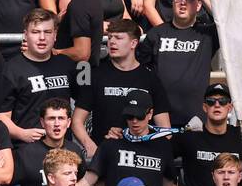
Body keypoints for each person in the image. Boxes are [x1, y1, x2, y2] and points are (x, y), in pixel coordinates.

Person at [71, 17, 169, 156]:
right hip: (104, 156)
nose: (111, 42)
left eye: (118, 38)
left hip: (140, 155)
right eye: (110, 37)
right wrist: (91, 146)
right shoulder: (95, 75)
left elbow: (164, 128)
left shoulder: (150, 78)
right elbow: (77, 121)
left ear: (134, 43)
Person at [76, 90, 184, 186]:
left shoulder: (163, 145)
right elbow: (88, 180)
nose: (135, 121)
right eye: (130, 116)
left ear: (150, 114)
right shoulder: (112, 142)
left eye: (140, 116)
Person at [0, 8, 79, 143]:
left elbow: (85, 103)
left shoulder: (67, 65)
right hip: (26, 150)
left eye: (47, 32)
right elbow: (1, 116)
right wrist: (21, 134)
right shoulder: (10, 70)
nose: (42, 38)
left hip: (63, 150)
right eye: (35, 32)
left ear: (55, 35)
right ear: (25, 35)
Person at [137, 0, 216, 128]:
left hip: (196, 118)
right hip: (161, 117)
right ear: (172, 3)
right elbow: (140, 70)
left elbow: (225, 23)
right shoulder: (156, 33)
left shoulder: (207, 35)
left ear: (198, 6)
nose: (183, 2)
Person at [176, 82, 242, 186]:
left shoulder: (240, 136)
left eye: (223, 101)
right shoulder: (190, 136)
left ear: (229, 108)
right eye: (211, 101)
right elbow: (160, 156)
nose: (217, 105)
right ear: (205, 107)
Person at [13, 97, 86, 186]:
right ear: (42, 122)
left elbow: (81, 184)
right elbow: (7, 183)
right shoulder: (25, 153)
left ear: (68, 122)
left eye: (61, 118)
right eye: (51, 118)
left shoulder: (75, 150)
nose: (57, 124)